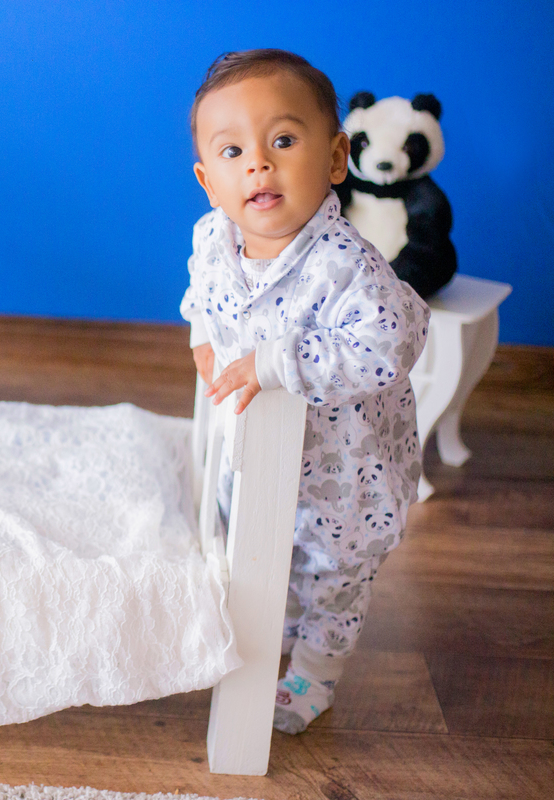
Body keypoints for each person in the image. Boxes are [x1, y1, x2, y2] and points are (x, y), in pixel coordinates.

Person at [180, 49, 429, 733]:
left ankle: (314, 675)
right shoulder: (213, 237)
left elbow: (389, 347)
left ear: (335, 158)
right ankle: (269, 636)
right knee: (261, 557)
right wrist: (203, 334)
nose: (258, 163)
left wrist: (280, 361)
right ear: (208, 179)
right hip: (257, 452)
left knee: (331, 581)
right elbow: (202, 297)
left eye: (283, 141)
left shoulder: (348, 266)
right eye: (232, 151)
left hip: (344, 473)